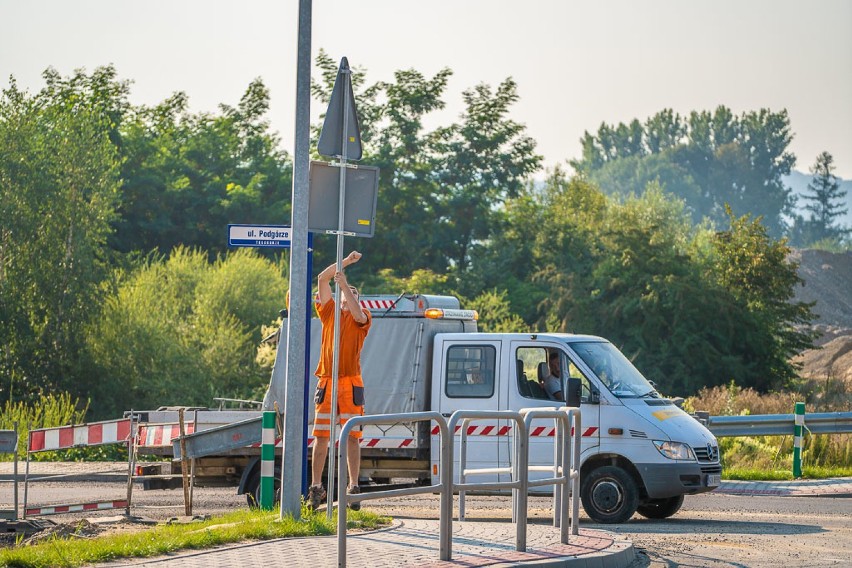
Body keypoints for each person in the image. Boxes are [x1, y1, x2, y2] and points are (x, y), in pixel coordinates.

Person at [307, 251, 372, 511]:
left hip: (350, 382)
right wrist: (344, 262)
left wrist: (346, 285)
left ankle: (353, 485)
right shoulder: (330, 311)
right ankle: (315, 487)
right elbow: (323, 279)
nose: (349, 295)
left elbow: (357, 314)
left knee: (352, 436)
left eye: (354, 293)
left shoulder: (363, 318)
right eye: (346, 292)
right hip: (327, 380)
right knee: (321, 436)